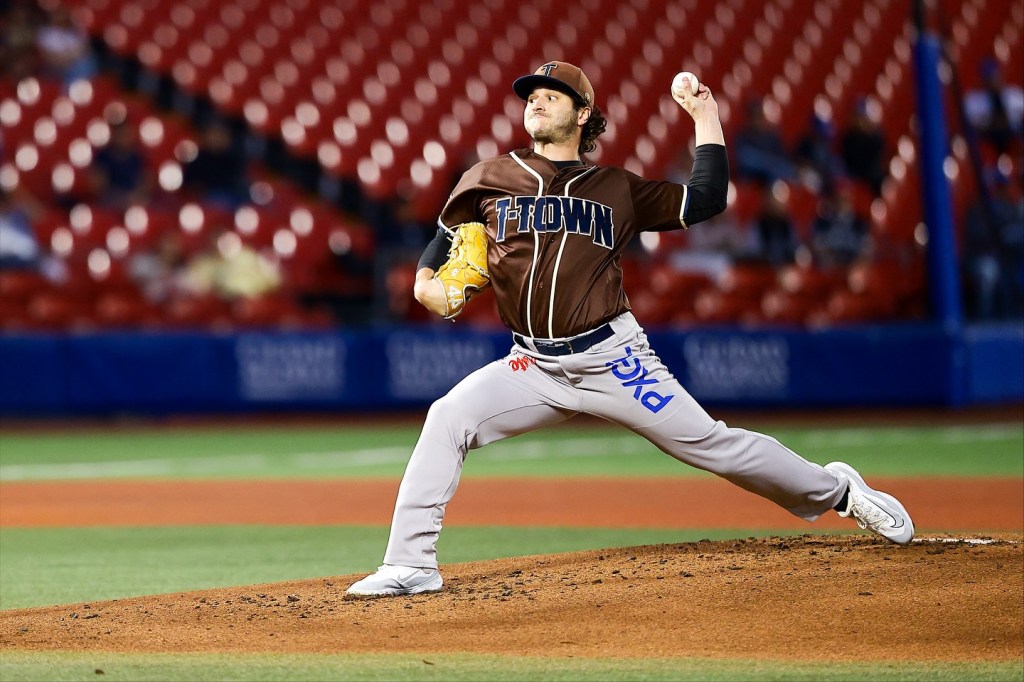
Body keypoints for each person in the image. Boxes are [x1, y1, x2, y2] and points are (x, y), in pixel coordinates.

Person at [347, 61, 914, 597]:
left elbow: (708, 198)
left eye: (553, 95)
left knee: (712, 445)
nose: (537, 102)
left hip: (614, 359)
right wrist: (425, 279)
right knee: (449, 416)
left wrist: (704, 116)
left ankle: (839, 490)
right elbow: (449, 232)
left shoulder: (617, 188)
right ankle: (410, 564)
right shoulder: (488, 177)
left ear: (584, 113)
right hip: (533, 364)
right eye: (531, 97)